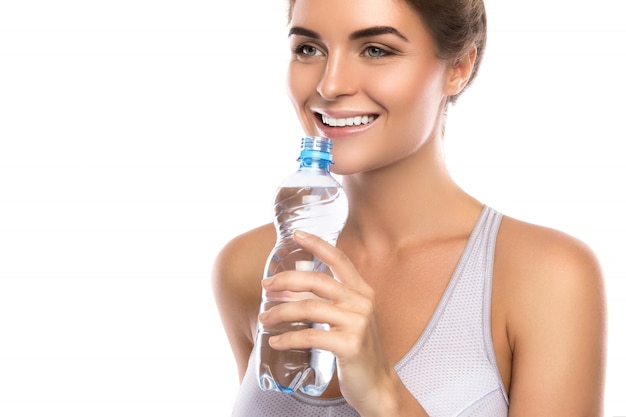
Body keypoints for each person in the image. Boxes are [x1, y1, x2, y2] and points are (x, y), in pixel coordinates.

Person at [211, 0, 607, 415]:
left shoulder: (545, 277)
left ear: (459, 67)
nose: (330, 85)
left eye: (376, 50)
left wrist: (386, 396)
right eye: (309, 49)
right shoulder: (250, 266)